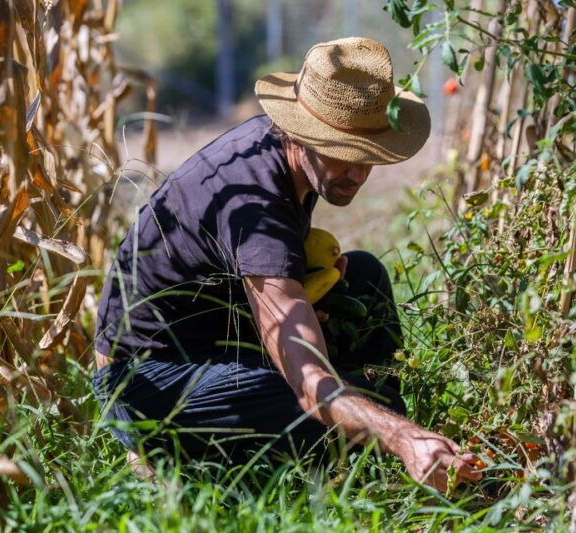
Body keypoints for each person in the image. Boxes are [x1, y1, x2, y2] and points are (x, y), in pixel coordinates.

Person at [93, 37, 480, 491]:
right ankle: (159, 458)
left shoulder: (282, 155)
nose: (358, 173)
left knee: (366, 276)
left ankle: (370, 430)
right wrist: (399, 433)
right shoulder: (257, 205)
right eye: (343, 152)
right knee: (355, 408)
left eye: (367, 155)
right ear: (300, 132)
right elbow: (307, 376)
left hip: (218, 336)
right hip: (146, 381)